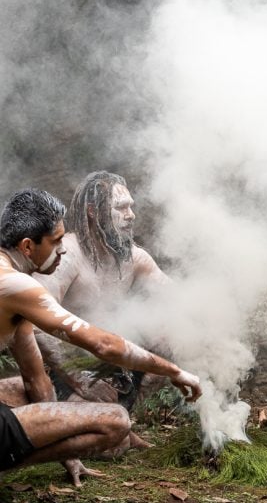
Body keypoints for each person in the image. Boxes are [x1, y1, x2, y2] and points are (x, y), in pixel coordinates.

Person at [0, 188, 201, 485]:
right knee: (116, 421)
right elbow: (103, 344)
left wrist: (68, 457)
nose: (63, 248)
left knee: (21, 387)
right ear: (28, 247)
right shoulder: (15, 285)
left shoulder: (14, 291)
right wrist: (174, 371)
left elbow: (35, 378)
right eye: (56, 241)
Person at [32, 171, 169, 408]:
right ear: (93, 212)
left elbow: (181, 303)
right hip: (67, 370)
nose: (131, 215)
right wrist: (78, 379)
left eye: (131, 207)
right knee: (104, 434)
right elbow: (34, 320)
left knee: (173, 337)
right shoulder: (67, 256)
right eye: (121, 208)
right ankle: (118, 424)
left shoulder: (136, 259)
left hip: (117, 364)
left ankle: (131, 414)